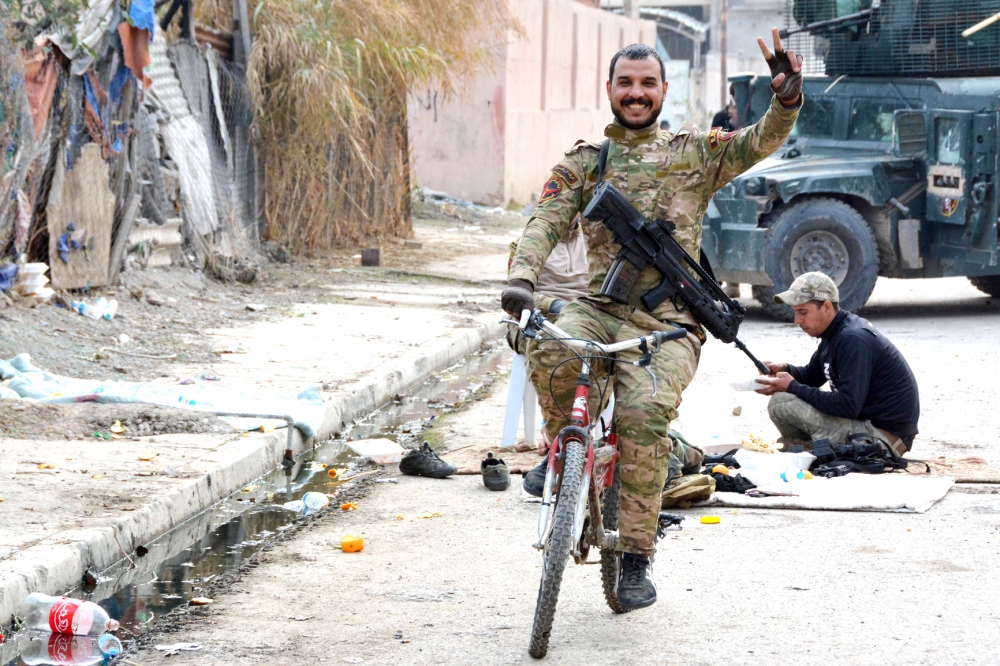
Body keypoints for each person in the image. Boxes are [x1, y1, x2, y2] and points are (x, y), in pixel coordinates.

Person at [501, 29, 803, 610]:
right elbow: (545, 220)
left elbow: (759, 141)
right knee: (551, 350)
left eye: (647, 84)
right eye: (625, 84)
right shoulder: (587, 162)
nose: (636, 94)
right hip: (597, 308)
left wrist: (786, 99)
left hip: (668, 321)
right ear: (610, 90)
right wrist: (522, 278)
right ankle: (567, 457)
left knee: (642, 416)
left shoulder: (696, 152)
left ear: (664, 90)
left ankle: (636, 556)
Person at [754, 272, 920, 457]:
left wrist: (792, 386)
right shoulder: (834, 332)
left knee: (782, 404)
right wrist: (785, 369)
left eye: (803, 312)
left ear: (826, 307)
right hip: (865, 425)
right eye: (795, 312)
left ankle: (812, 450)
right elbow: (812, 376)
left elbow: (848, 405)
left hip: (885, 440)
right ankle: (811, 448)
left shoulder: (853, 339)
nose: (797, 321)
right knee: (783, 397)